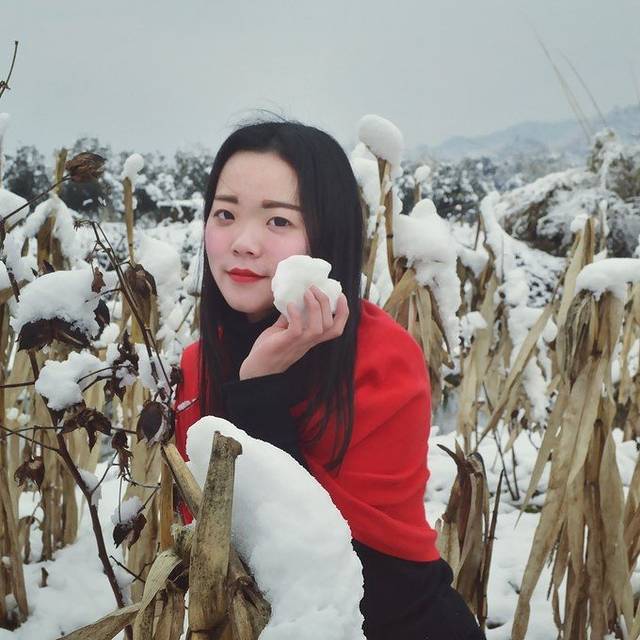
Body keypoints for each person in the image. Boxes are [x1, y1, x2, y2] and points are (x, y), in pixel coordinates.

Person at [174, 119, 485, 640]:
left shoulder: (383, 362)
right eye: (225, 214)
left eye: (278, 220)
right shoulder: (195, 367)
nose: (243, 243)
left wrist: (259, 389)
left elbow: (358, 579)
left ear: (328, 235)